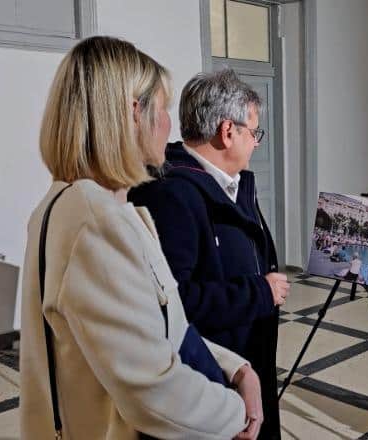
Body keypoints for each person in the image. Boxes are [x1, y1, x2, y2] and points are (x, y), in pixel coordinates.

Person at [21, 36, 261, 440]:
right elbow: (153, 390)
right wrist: (238, 414)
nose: (170, 123)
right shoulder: (92, 219)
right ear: (135, 113)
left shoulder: (85, 205)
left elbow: (159, 325)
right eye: (163, 107)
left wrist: (233, 366)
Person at [129, 69, 289, 439]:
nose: (257, 143)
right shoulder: (170, 195)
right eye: (254, 132)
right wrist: (259, 292)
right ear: (227, 131)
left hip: (248, 362)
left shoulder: (235, 184)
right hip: (210, 379)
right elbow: (172, 303)